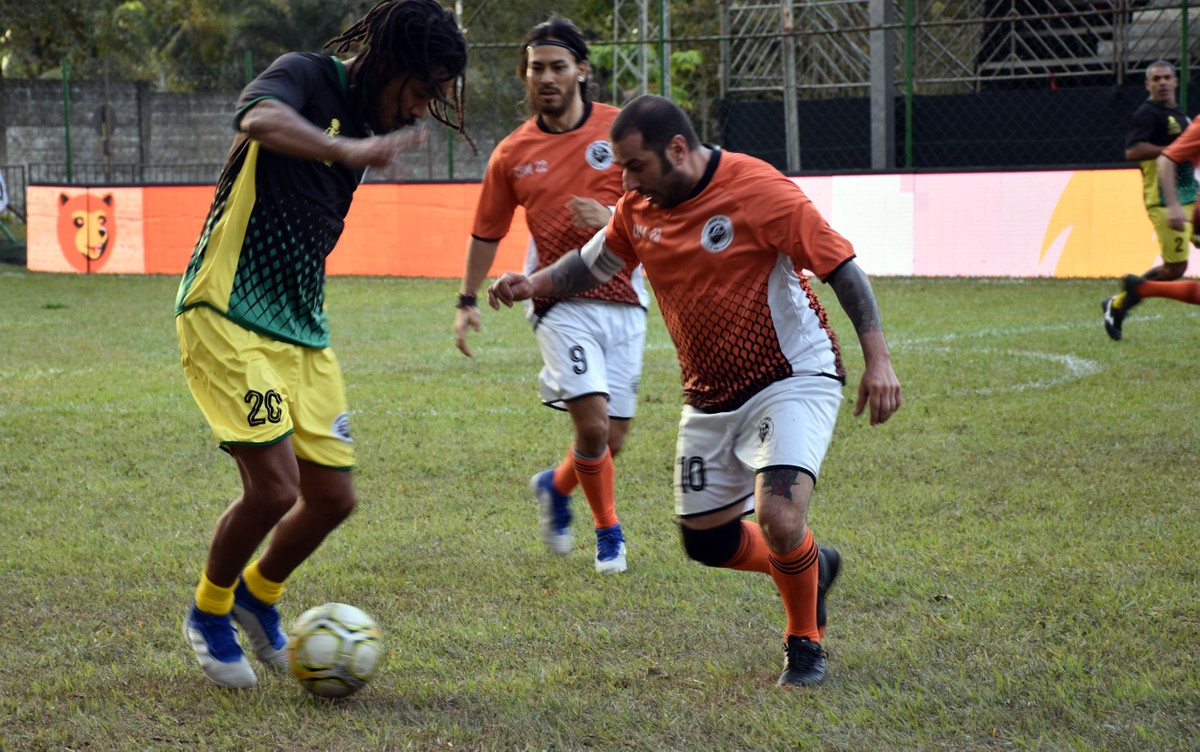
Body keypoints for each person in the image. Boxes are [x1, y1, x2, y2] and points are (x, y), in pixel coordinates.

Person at [488, 95, 902, 686]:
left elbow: (841, 266)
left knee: (781, 517)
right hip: (709, 393)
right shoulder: (637, 208)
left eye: (635, 166)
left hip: (792, 375)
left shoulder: (758, 189)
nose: (625, 181)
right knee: (707, 542)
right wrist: (533, 282)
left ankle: (804, 640)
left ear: (677, 149)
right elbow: (591, 263)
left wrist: (878, 360)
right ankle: (815, 565)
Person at [174, 0, 469, 689]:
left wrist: (364, 141)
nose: (423, 108)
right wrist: (345, 148)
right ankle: (209, 612)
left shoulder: (374, 121)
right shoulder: (304, 76)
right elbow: (256, 120)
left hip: (302, 325)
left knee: (333, 498)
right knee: (275, 488)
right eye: (422, 90)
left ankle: (258, 594)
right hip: (228, 308)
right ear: (390, 64)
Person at [454, 17, 646, 574]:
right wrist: (467, 301)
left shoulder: (621, 131)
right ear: (525, 75)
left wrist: (611, 218)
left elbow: (666, 200)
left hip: (626, 299)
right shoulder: (513, 153)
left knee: (612, 439)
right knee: (589, 425)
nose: (546, 77)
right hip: (556, 300)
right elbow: (486, 232)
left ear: (582, 71)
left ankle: (556, 486)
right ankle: (609, 533)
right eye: (536, 68)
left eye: (558, 66)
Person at [1102, 60, 1196, 341]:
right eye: (1156, 79)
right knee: (1174, 269)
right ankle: (1117, 305)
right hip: (1167, 201)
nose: (1163, 83)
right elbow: (1133, 151)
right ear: (1147, 85)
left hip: (1191, 195)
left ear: (1176, 81)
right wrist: (1174, 150)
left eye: (1167, 77)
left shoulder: (1179, 114)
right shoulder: (1148, 114)